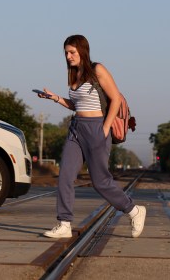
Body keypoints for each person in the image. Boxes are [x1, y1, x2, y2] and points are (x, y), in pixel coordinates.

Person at [37, 34, 146, 239]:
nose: (68, 56)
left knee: (100, 181)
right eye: (66, 53)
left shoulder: (98, 70)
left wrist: (104, 129)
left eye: (72, 52)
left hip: (97, 128)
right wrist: (56, 98)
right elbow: (77, 105)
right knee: (65, 176)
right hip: (76, 129)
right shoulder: (74, 75)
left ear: (82, 51)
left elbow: (114, 99)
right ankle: (64, 224)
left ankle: (134, 211)